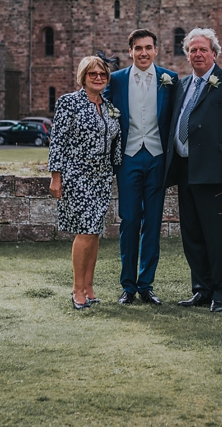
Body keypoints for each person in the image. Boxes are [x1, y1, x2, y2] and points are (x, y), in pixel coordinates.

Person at [164, 26, 222, 313]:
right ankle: (201, 290)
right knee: (192, 235)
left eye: (203, 49)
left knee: (218, 238)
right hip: (186, 171)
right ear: (187, 55)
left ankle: (221, 294)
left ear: (214, 53)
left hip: (216, 174)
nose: (198, 54)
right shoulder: (180, 86)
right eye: (193, 50)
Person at [105, 29, 180, 305]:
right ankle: (128, 285)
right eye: (138, 48)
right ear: (130, 51)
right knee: (129, 221)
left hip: (158, 158)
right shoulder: (116, 80)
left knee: (153, 222)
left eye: (148, 47)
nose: (144, 53)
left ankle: (146, 284)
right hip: (128, 158)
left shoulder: (170, 79)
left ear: (156, 50)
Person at [48, 55, 122, 310]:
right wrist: (55, 177)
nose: (99, 78)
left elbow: (115, 142)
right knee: (86, 230)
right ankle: (77, 289)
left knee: (94, 232)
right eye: (93, 74)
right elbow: (57, 140)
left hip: (102, 176)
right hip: (76, 174)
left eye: (103, 74)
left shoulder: (109, 105)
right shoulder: (69, 102)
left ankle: (90, 288)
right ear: (83, 77)